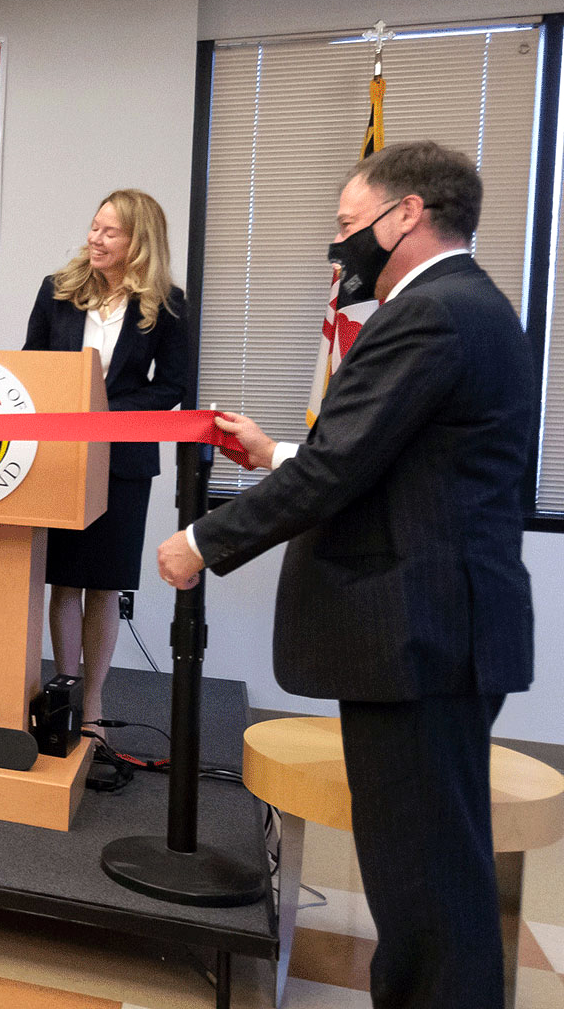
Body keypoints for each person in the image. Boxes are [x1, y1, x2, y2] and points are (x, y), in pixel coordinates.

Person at [158, 141, 535, 1009]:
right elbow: (396, 463)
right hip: (441, 629)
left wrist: (204, 541)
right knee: (429, 881)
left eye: (347, 225)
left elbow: (339, 472)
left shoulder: (430, 312)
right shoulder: (469, 307)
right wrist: (278, 452)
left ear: (406, 213)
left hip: (421, 635)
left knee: (428, 894)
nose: (339, 248)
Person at [22, 189, 188, 732]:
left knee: (105, 584)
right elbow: (33, 366)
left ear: (138, 240)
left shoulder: (168, 303)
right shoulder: (57, 291)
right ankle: (65, 694)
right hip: (64, 457)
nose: (95, 238)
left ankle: (93, 706)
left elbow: (171, 386)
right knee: (65, 580)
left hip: (123, 462)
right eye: (94, 228)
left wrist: (104, 414)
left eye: (109, 232)